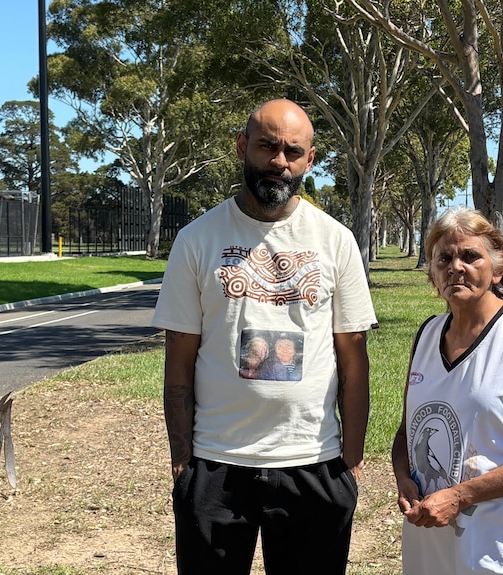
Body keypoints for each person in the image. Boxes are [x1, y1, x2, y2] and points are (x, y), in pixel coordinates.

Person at [151, 98, 378, 575]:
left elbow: (353, 359)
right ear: (242, 147)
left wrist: (350, 462)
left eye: (292, 151)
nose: (279, 161)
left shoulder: (335, 240)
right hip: (217, 462)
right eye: (266, 146)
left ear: (309, 160)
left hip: (314, 460)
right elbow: (179, 359)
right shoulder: (196, 240)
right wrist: (182, 462)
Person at [394, 207, 503, 575]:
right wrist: (405, 479)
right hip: (431, 536)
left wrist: (460, 496)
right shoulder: (427, 335)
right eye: (444, 258)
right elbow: (407, 429)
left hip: (502, 542)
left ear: (497, 269)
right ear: (432, 273)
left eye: (470, 256)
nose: (456, 266)